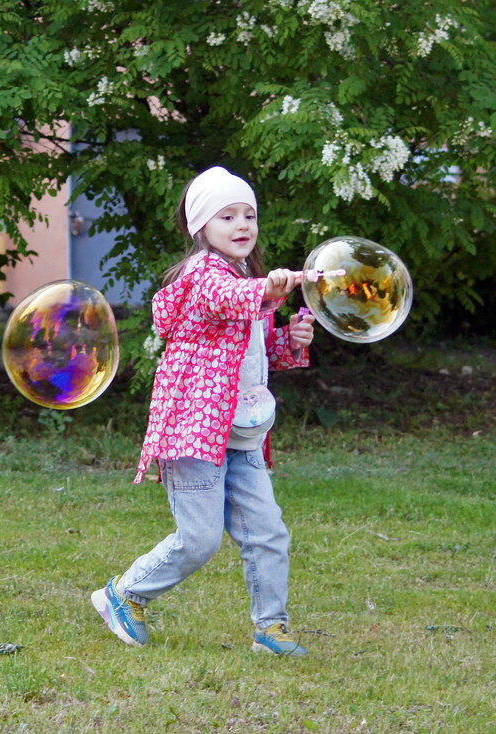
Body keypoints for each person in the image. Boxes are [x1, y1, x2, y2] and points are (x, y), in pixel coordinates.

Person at [91, 166, 316, 656]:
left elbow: (249, 356)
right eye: (227, 215)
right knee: (198, 539)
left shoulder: (246, 280)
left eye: (249, 215)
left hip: (242, 435)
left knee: (268, 533)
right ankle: (124, 593)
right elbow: (227, 299)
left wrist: (288, 340)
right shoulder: (204, 276)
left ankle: (270, 628)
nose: (242, 224)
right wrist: (272, 288)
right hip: (194, 433)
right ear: (201, 228)